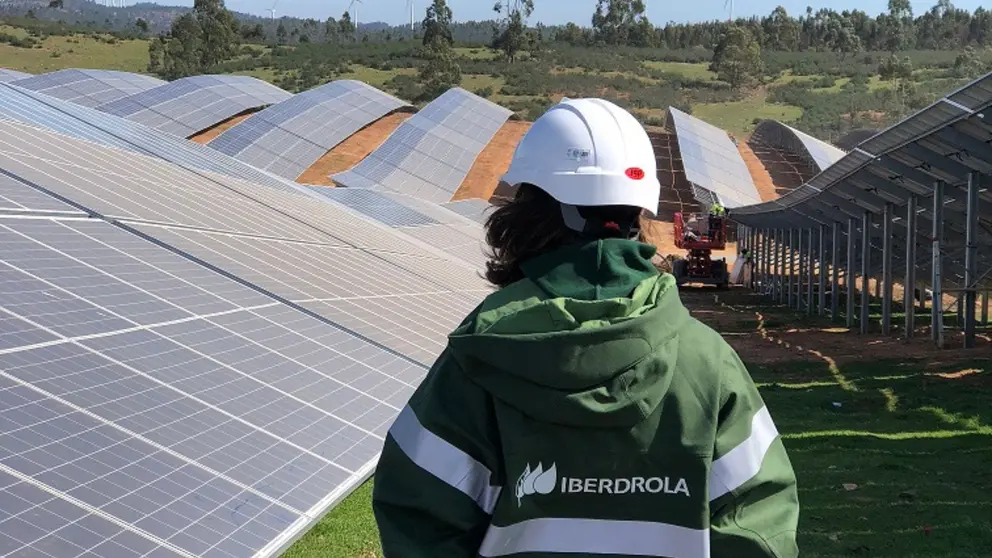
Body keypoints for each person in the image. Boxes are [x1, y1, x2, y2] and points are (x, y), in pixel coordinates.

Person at [371, 98, 800, 558]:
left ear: (528, 210)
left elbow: (419, 515)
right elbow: (758, 528)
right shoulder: (707, 362)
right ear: (639, 214)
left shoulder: (481, 355)